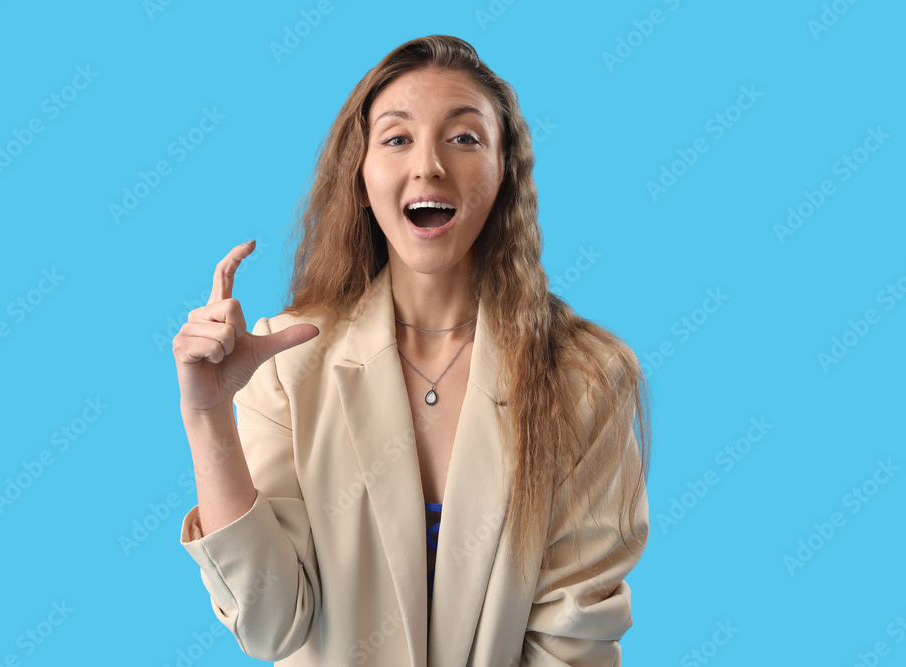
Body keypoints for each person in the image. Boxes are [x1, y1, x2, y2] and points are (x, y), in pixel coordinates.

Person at [173, 34, 650, 666]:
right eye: (397, 138)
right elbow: (270, 624)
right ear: (362, 178)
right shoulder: (286, 363)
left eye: (464, 138)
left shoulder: (588, 376)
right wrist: (207, 417)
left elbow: (573, 641)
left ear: (504, 171)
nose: (428, 165)